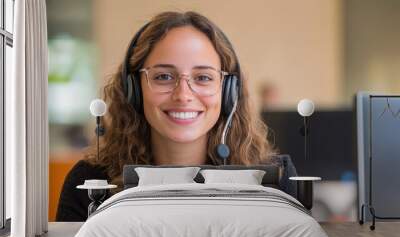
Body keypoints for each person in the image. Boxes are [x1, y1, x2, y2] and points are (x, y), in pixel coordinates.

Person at [56, 11, 297, 222]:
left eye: (203, 77)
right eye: (163, 76)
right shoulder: (89, 182)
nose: (183, 95)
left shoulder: (277, 178)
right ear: (134, 89)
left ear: (228, 92)